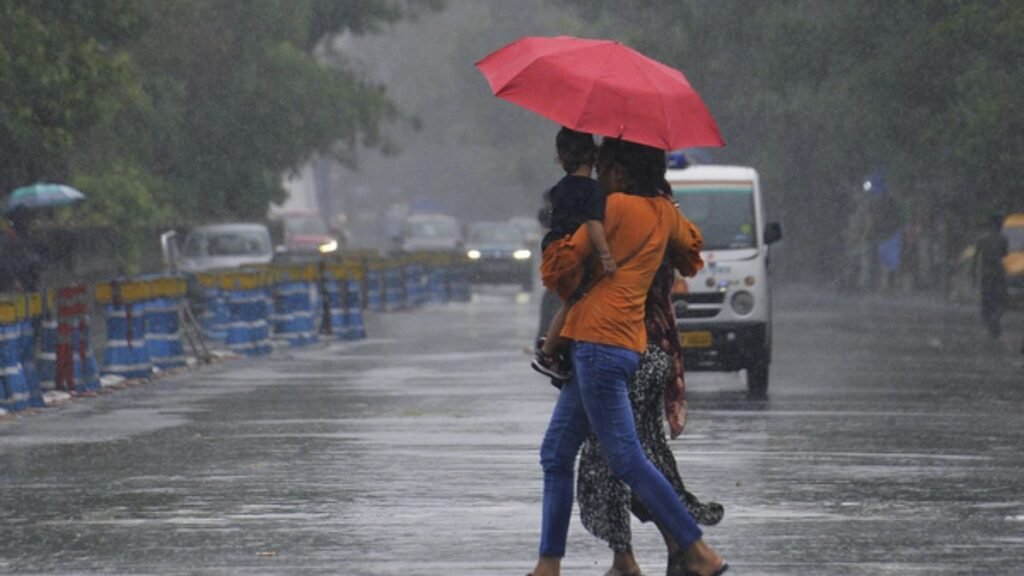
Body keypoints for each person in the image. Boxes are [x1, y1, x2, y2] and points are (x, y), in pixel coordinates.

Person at [528, 138, 727, 576]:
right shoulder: (664, 213)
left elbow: (557, 270)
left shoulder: (612, 207)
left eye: (604, 167)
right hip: (624, 341)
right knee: (556, 454)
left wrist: (562, 230)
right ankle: (548, 564)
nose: (598, 174)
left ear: (620, 172)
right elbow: (692, 256)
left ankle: (697, 550)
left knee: (625, 457)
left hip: (596, 343)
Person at [577, 260, 724, 576]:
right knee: (641, 456)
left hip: (629, 350)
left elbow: (576, 281)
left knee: (613, 460)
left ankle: (669, 552)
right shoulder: (660, 221)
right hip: (655, 350)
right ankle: (672, 551)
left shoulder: (621, 231)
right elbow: (689, 256)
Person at [531, 127, 616, 382]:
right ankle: (548, 352)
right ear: (593, 156)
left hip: (554, 253)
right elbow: (592, 223)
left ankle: (555, 348)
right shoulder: (592, 191)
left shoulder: (559, 189)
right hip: (572, 257)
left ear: (561, 157)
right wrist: (606, 255)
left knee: (569, 302)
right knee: (575, 302)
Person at [976, 215, 1008, 339]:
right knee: (1000, 298)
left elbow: (975, 257)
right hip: (998, 272)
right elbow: (1005, 254)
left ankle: (989, 318)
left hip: (986, 273)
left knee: (987, 298)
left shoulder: (982, 239)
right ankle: (995, 317)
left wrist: (973, 273)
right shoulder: (1003, 239)